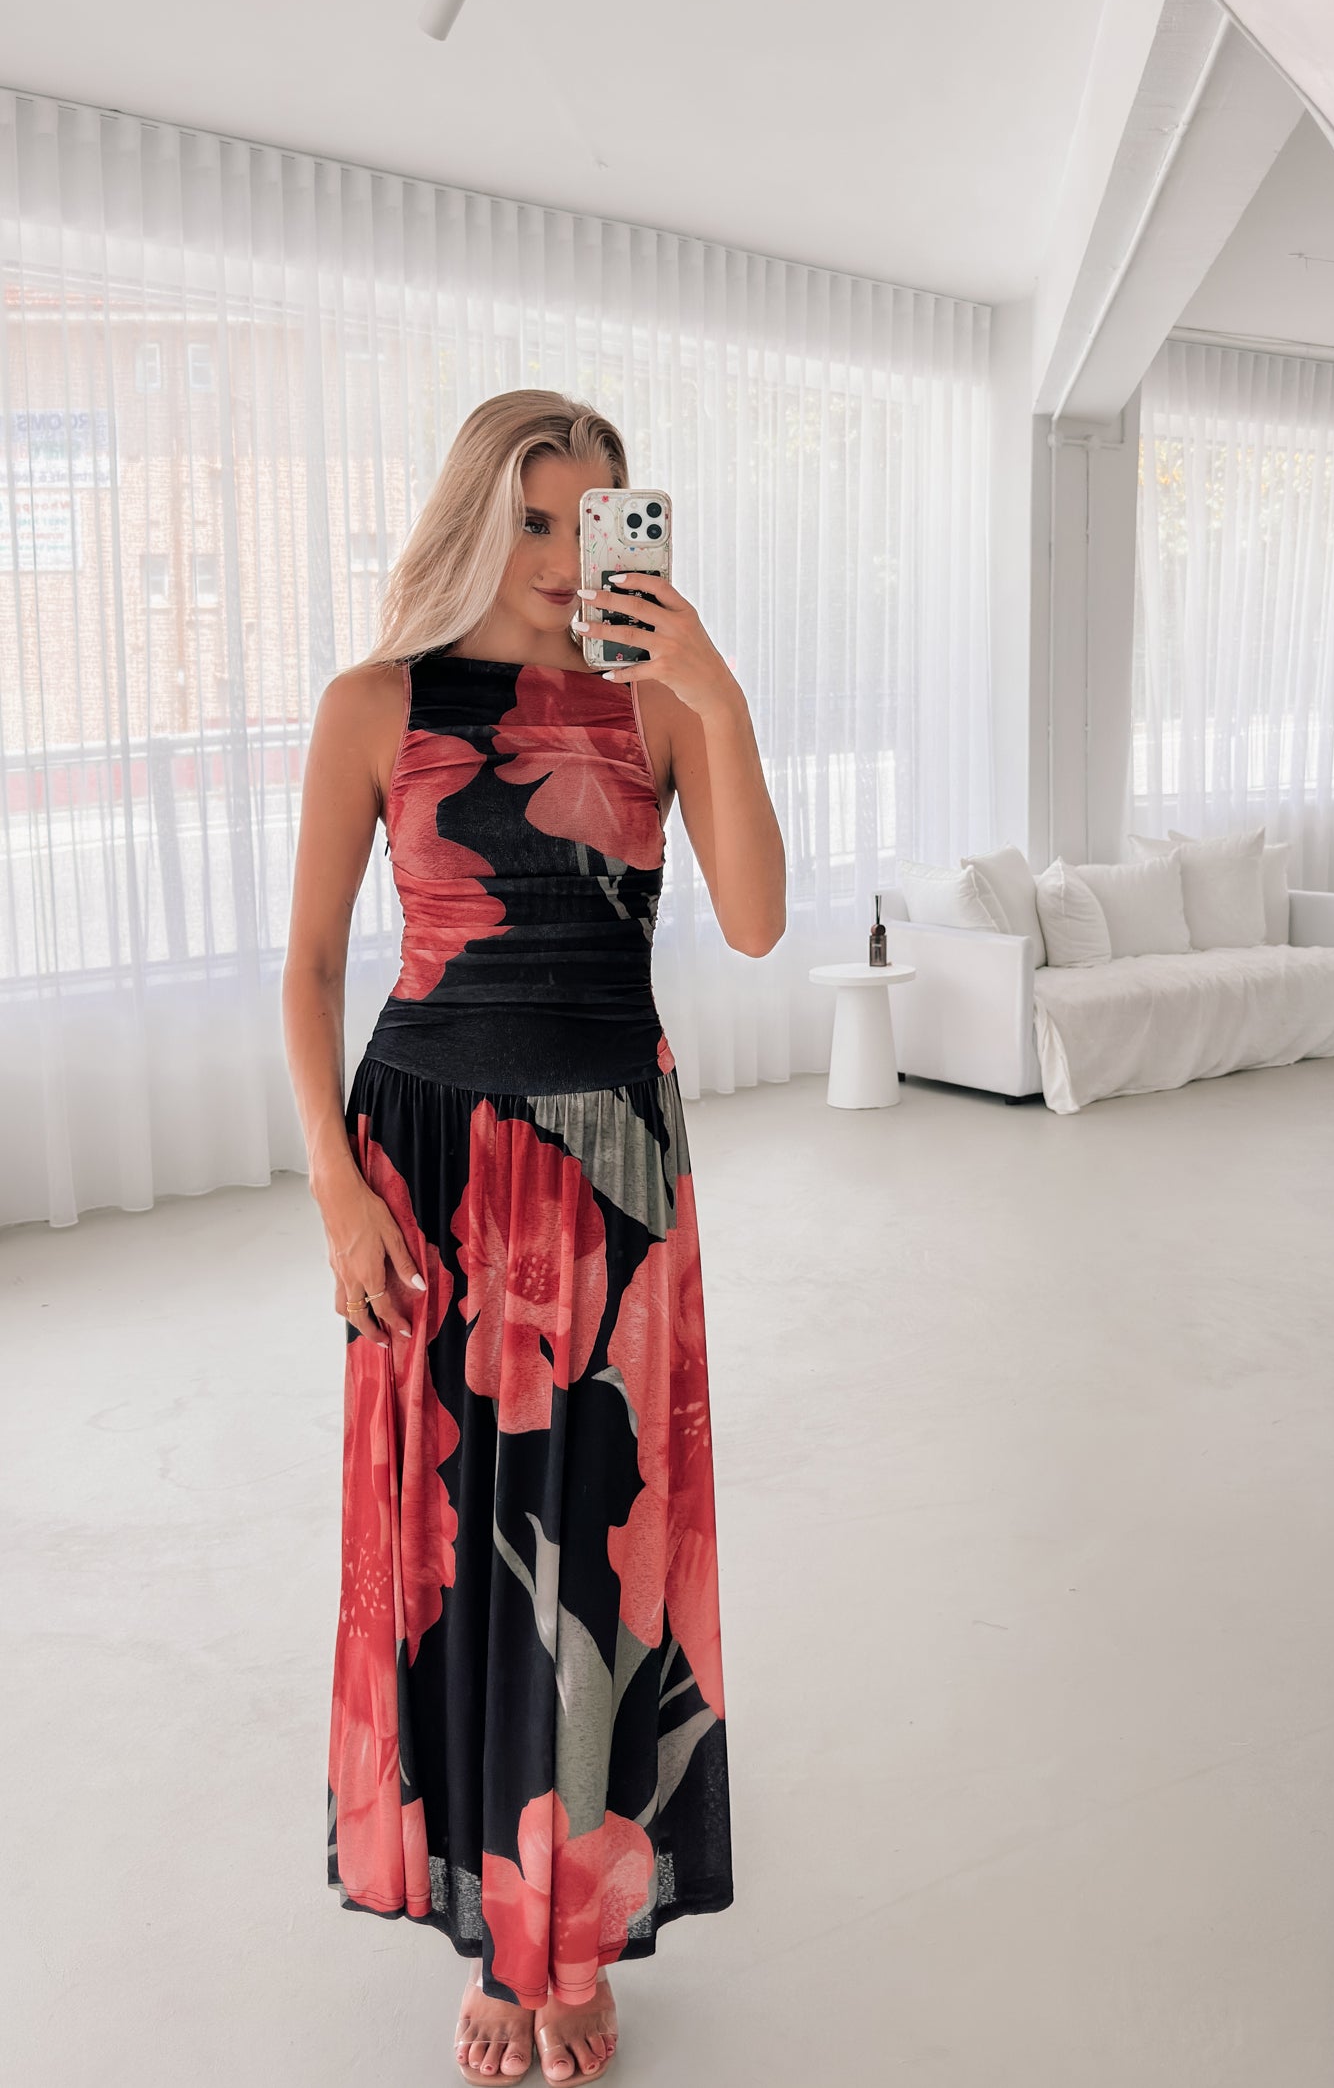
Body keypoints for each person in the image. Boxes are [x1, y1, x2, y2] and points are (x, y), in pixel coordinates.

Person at [282, 390, 785, 2082]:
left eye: (603, 521)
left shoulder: (655, 706)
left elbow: (765, 919)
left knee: (591, 1559)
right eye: (544, 519)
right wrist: (336, 1187)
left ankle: (571, 1925)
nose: (572, 557)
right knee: (456, 1559)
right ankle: (500, 1943)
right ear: (480, 518)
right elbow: (306, 969)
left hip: (609, 1176)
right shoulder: (375, 705)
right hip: (422, 1159)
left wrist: (708, 685)